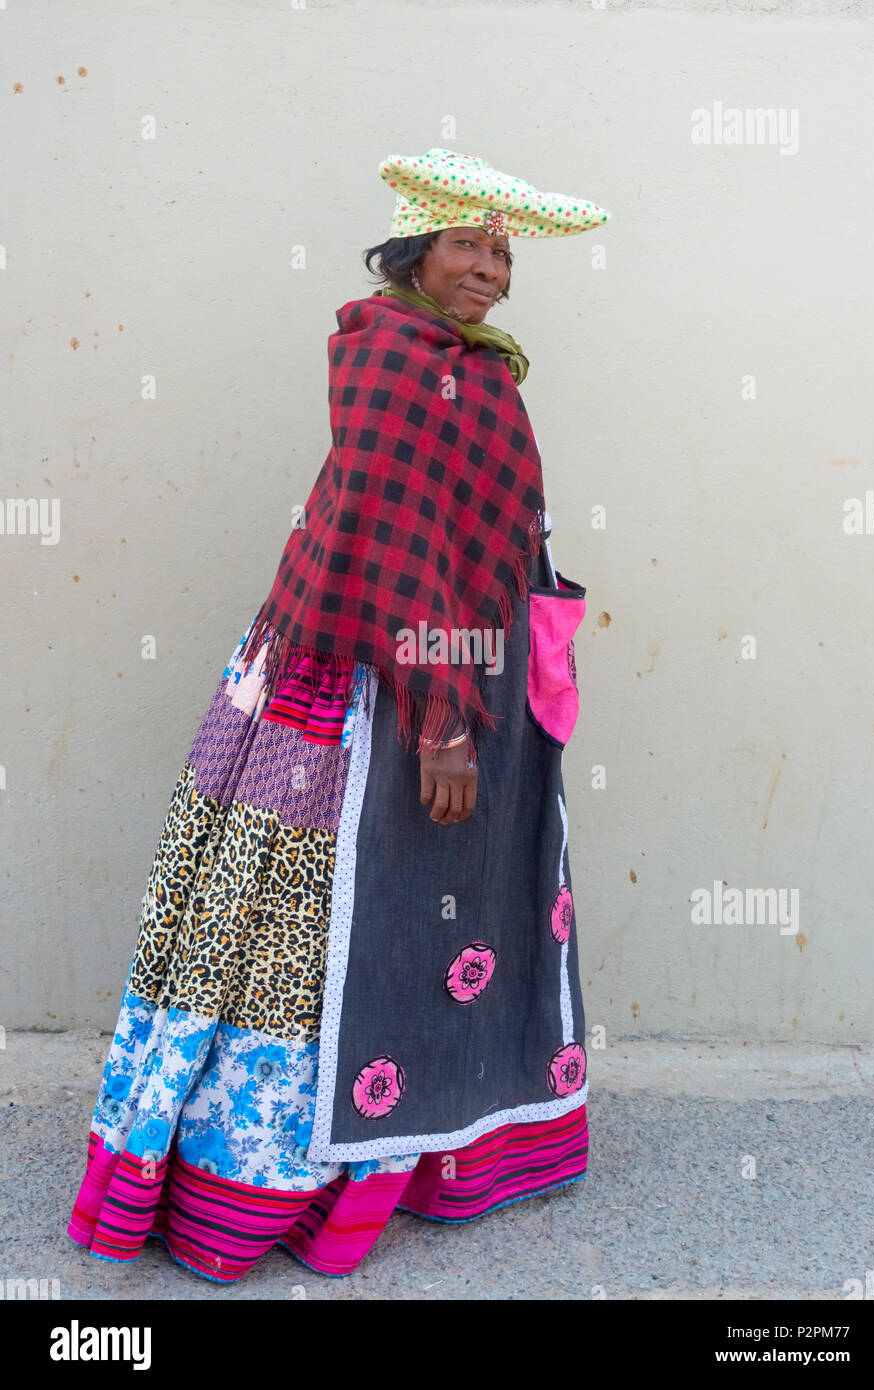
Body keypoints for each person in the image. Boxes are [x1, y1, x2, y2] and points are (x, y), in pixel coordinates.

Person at [66, 147, 610, 1282]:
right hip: (383, 685)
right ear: (414, 250)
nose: (493, 269)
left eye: (505, 251)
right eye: (469, 243)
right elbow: (398, 538)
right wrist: (441, 719)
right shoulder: (398, 358)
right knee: (322, 920)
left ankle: (419, 1154)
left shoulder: (470, 363)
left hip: (456, 665)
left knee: (434, 916)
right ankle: (268, 1187)